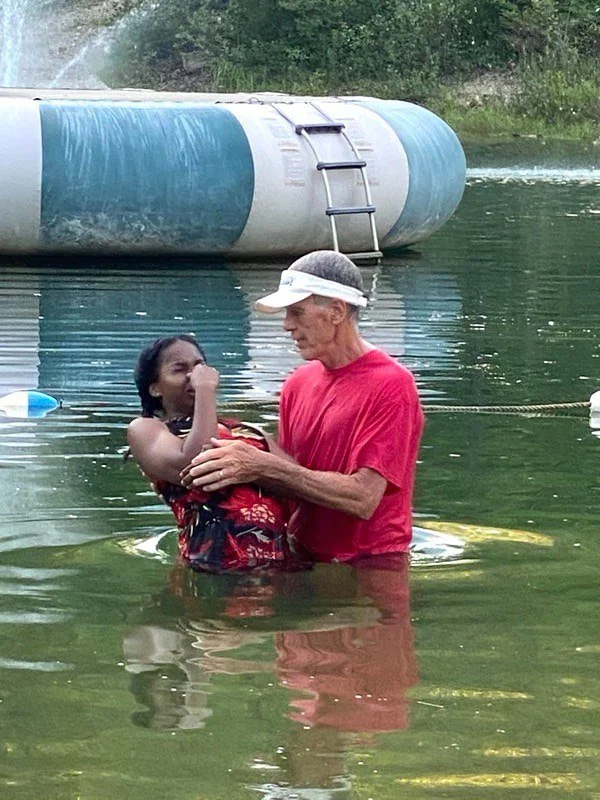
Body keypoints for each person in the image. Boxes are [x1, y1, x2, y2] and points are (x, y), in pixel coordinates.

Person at [184, 250, 424, 562]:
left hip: (371, 565)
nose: (286, 325)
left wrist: (261, 465)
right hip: (297, 556)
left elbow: (364, 498)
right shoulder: (297, 383)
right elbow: (291, 479)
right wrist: (242, 446)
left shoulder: (392, 385)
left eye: (297, 312)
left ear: (336, 311)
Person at [127, 334, 298, 572]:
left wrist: (257, 467)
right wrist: (205, 389)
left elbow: (297, 480)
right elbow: (198, 462)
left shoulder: (245, 430)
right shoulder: (146, 429)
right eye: (179, 369)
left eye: (199, 366)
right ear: (155, 388)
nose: (194, 375)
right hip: (213, 568)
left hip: (279, 564)